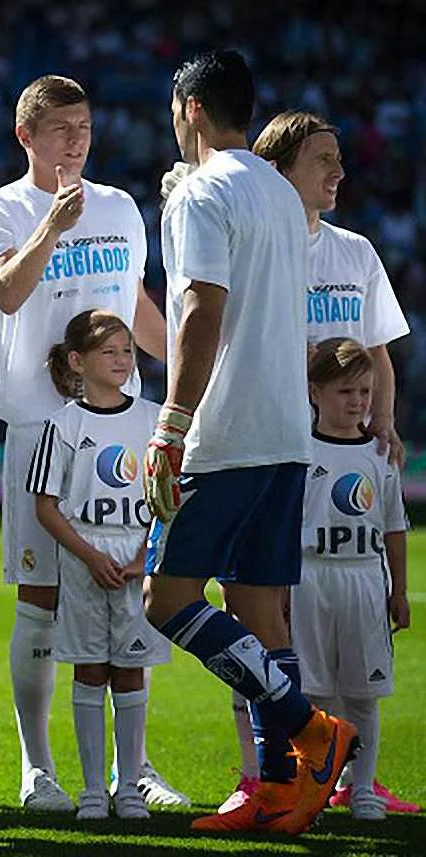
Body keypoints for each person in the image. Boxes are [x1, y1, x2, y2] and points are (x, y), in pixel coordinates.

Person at [142, 50, 357, 835]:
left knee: (164, 599)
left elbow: (201, 306)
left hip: (225, 430)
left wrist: (171, 422)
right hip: (286, 432)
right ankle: (276, 784)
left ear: (190, 109)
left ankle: (309, 728)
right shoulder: (278, 189)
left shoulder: (201, 192)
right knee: (261, 611)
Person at [0, 74, 176, 812]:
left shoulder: (119, 206)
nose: (77, 140)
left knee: (128, 590)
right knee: (41, 598)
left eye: (84, 127)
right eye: (60, 128)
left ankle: (136, 767)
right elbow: (9, 292)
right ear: (25, 136)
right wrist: (51, 226)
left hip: (123, 426)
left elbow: (138, 304)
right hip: (41, 424)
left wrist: (188, 371)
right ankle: (37, 766)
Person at [208, 111, 417, 816]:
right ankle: (257, 771)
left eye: (339, 158)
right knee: (262, 616)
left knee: (332, 644)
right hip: (266, 452)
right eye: (323, 159)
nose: (338, 173)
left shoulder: (355, 251)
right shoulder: (251, 245)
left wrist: (382, 423)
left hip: (338, 457)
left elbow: (379, 349)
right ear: (280, 168)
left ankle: (348, 773)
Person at [29, 310, 170, 821]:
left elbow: (168, 499)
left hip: (136, 564)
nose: (121, 360)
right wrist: (89, 556)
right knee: (89, 670)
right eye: (109, 351)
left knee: (130, 672)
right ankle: (92, 789)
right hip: (84, 565)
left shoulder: (153, 418)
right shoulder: (64, 424)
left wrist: (142, 556)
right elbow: (45, 506)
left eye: (127, 351)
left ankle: (128, 786)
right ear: (77, 361)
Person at [292, 338, 410, 820]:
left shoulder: (381, 454)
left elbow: (394, 526)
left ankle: (362, 789)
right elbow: (283, 528)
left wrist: (398, 590)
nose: (358, 401)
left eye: (365, 391)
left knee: (363, 691)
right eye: (346, 392)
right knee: (314, 693)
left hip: (363, 578)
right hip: (311, 579)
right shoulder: (300, 452)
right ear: (315, 392)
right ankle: (314, 790)